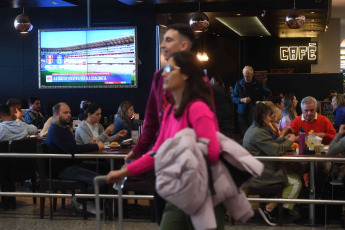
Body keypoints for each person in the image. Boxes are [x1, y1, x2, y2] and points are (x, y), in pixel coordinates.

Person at [107, 52, 225, 229]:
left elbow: (213, 152)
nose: (163, 74)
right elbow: (157, 152)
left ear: (185, 74)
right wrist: (126, 171)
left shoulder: (198, 109)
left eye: (169, 69)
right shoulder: (170, 112)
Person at [242, 103, 301, 226]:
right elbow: (275, 151)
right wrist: (290, 141)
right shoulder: (258, 132)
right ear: (263, 116)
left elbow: (270, 146)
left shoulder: (255, 129)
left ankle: (277, 208)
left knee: (295, 175)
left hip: (254, 171)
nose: (272, 118)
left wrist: (283, 136)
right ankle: (269, 208)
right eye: (270, 115)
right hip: (260, 175)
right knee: (295, 182)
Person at [44, 103, 104, 203]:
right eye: (65, 113)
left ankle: (106, 205)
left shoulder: (63, 128)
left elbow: (73, 148)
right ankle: (80, 201)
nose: (69, 115)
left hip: (71, 164)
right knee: (99, 180)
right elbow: (73, 150)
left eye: (69, 112)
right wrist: (96, 146)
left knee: (105, 169)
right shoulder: (56, 130)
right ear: (56, 115)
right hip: (63, 169)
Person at [290, 96, 336, 198]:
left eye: (312, 110)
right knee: (293, 168)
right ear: (301, 110)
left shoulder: (324, 120)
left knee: (325, 167)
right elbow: (288, 138)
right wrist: (296, 138)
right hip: (302, 157)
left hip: (321, 157)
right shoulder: (296, 121)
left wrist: (324, 135)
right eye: (306, 110)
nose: (309, 113)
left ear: (316, 109)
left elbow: (335, 137)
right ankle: (304, 196)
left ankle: (317, 193)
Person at [231, 66, 272, 136]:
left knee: (254, 134)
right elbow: (233, 97)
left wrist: (263, 103)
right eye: (244, 76)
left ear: (252, 74)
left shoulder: (259, 83)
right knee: (244, 135)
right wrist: (241, 100)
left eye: (248, 76)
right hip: (242, 113)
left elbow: (269, 94)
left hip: (255, 113)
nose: (246, 78)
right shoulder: (239, 83)